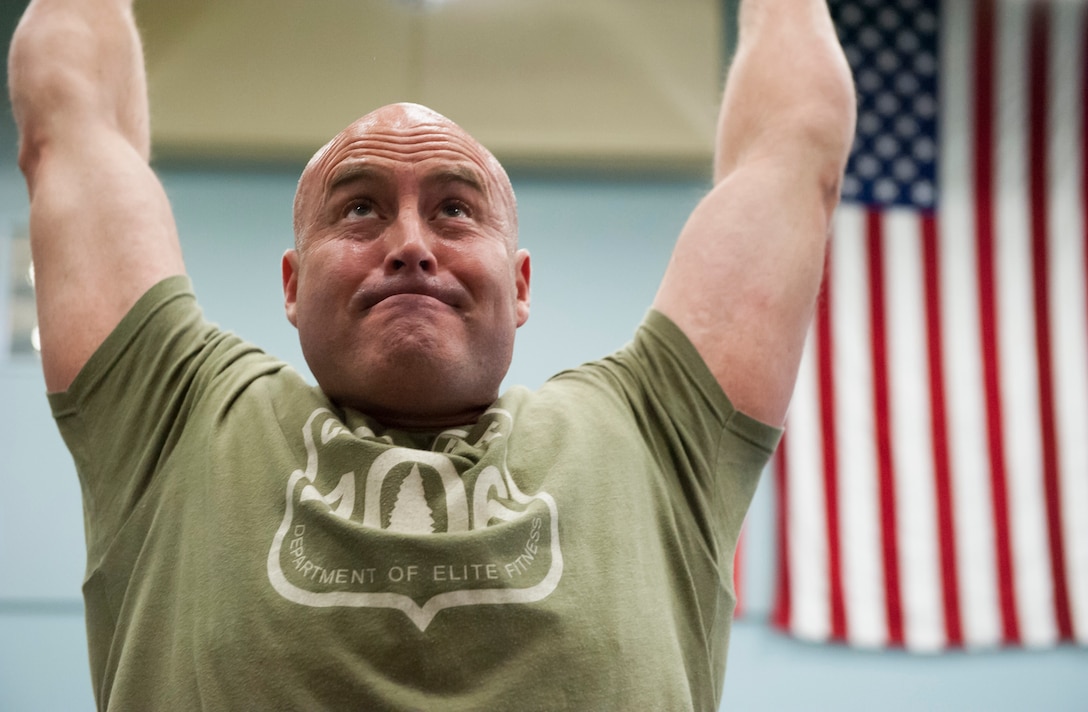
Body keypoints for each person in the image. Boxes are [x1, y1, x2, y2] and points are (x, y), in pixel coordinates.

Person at [8, 0, 855, 709]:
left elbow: (797, 141)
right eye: (360, 210)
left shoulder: (656, 432)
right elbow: (69, 111)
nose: (411, 243)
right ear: (293, 285)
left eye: (454, 210)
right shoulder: (173, 417)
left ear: (520, 284)